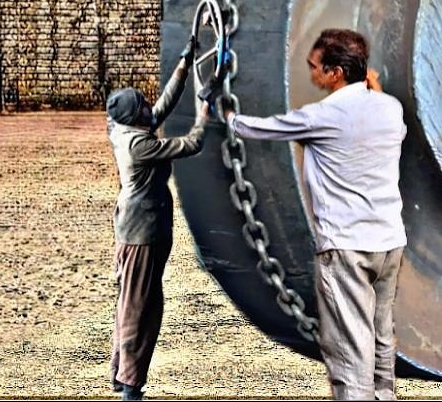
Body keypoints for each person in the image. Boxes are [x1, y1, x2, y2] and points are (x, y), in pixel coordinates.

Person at [222, 28, 407, 400]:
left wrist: (228, 118)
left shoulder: (323, 116)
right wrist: (375, 89)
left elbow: (264, 129)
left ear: (336, 72)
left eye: (315, 67)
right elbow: (390, 119)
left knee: (349, 355)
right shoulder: (390, 109)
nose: (311, 74)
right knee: (380, 342)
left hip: (347, 250)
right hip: (389, 245)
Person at [106, 37, 210, 402]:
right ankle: (130, 387)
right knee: (140, 307)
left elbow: (161, 107)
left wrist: (185, 63)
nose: (149, 107)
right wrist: (204, 109)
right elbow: (192, 143)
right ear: (134, 117)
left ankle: (122, 375)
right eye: (142, 107)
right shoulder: (139, 145)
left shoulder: (125, 130)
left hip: (137, 228)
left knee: (131, 302)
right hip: (142, 232)